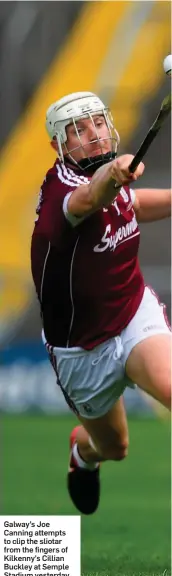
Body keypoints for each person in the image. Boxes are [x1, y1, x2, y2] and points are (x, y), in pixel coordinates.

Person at [31, 91, 171, 515]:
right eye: (77, 130)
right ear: (59, 145)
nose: (92, 135)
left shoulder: (114, 182)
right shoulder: (62, 193)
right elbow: (92, 199)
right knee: (114, 447)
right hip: (82, 350)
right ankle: (83, 455)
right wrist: (113, 172)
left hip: (132, 316)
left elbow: (131, 203)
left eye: (96, 123)